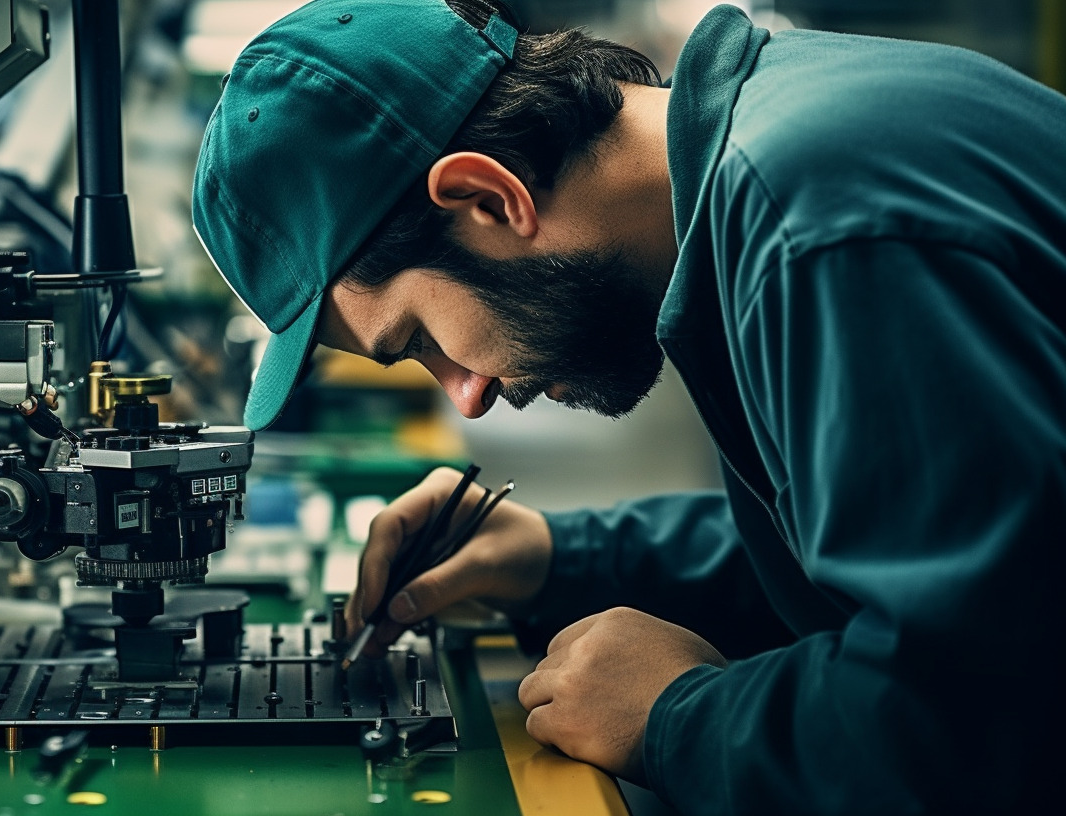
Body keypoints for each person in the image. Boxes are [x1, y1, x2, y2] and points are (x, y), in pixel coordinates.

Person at [191, 0, 1066, 812]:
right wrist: (556, 557)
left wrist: (678, 716)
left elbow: (983, 718)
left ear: (489, 198)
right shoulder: (772, 154)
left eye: (418, 338)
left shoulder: (822, 231)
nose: (469, 393)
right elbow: (879, 545)